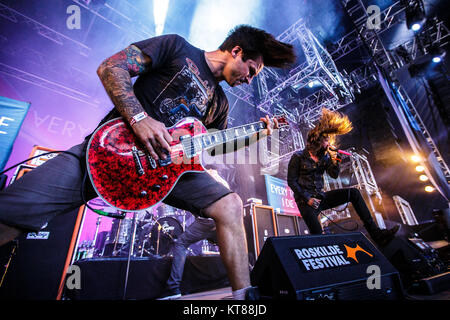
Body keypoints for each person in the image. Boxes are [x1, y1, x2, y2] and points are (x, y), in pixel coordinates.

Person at [0, 25, 296, 300]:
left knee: (229, 205)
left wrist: (256, 135)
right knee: (10, 213)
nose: (249, 79)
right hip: (109, 153)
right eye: (252, 70)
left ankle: (244, 299)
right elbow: (111, 67)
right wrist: (139, 118)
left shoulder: (220, 103)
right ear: (236, 51)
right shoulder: (178, 47)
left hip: (169, 170)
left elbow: (213, 148)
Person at [287, 108, 399, 246]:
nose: (329, 143)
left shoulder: (325, 156)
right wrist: (308, 199)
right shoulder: (298, 156)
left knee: (354, 193)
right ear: (317, 140)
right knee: (318, 236)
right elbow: (291, 181)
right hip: (306, 203)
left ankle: (376, 234)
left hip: (321, 197)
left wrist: (336, 159)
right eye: (326, 140)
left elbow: (333, 175)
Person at [159, 169, 227, 300]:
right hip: (221, 220)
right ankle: (248, 275)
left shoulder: (206, 176)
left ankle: (173, 288)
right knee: (229, 246)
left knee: (180, 244)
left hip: (207, 221)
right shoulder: (221, 181)